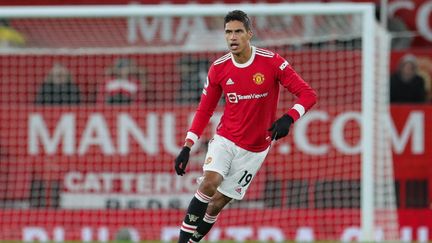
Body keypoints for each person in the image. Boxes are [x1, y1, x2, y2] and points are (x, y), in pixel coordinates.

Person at [173, 10, 317, 243]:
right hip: (226, 138)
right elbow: (204, 110)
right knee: (210, 183)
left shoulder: (271, 62)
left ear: (249, 34)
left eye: (238, 31)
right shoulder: (218, 68)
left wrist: (289, 117)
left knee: (218, 202)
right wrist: (188, 146)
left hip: (256, 149)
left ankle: (194, 240)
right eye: (228, 32)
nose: (232, 37)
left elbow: (308, 95)